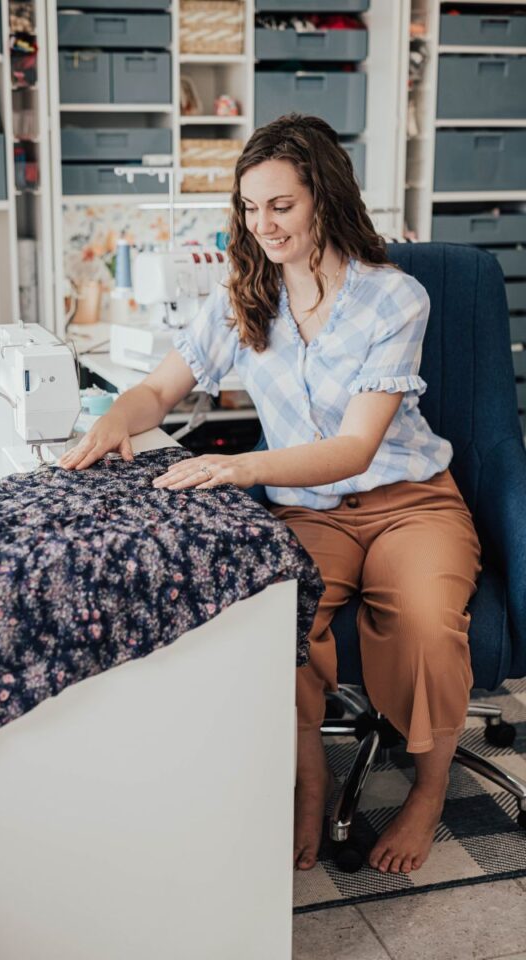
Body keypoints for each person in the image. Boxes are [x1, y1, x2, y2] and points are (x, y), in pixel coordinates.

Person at [59, 114, 481, 876]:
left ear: (322, 196)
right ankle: (310, 781)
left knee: (424, 622)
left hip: (409, 501)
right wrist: (116, 416)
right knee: (272, 625)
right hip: (305, 510)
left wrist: (237, 468)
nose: (263, 225)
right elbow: (160, 388)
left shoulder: (394, 299)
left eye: (279, 205)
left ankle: (428, 789)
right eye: (250, 209)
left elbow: (355, 448)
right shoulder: (243, 297)